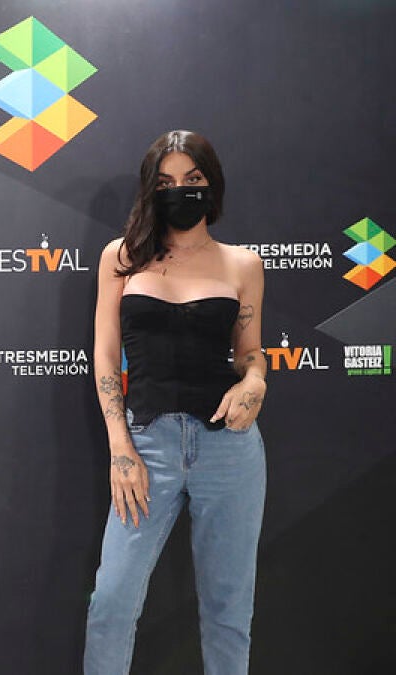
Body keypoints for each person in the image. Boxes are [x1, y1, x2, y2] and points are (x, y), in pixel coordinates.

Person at [85, 130, 268, 674]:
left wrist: (256, 381)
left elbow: (250, 353)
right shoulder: (121, 258)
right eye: (165, 182)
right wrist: (121, 448)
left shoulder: (242, 264)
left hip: (229, 449)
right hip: (146, 446)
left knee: (228, 610)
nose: (180, 191)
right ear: (150, 189)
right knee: (111, 602)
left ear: (212, 184)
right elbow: (106, 357)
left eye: (193, 179)